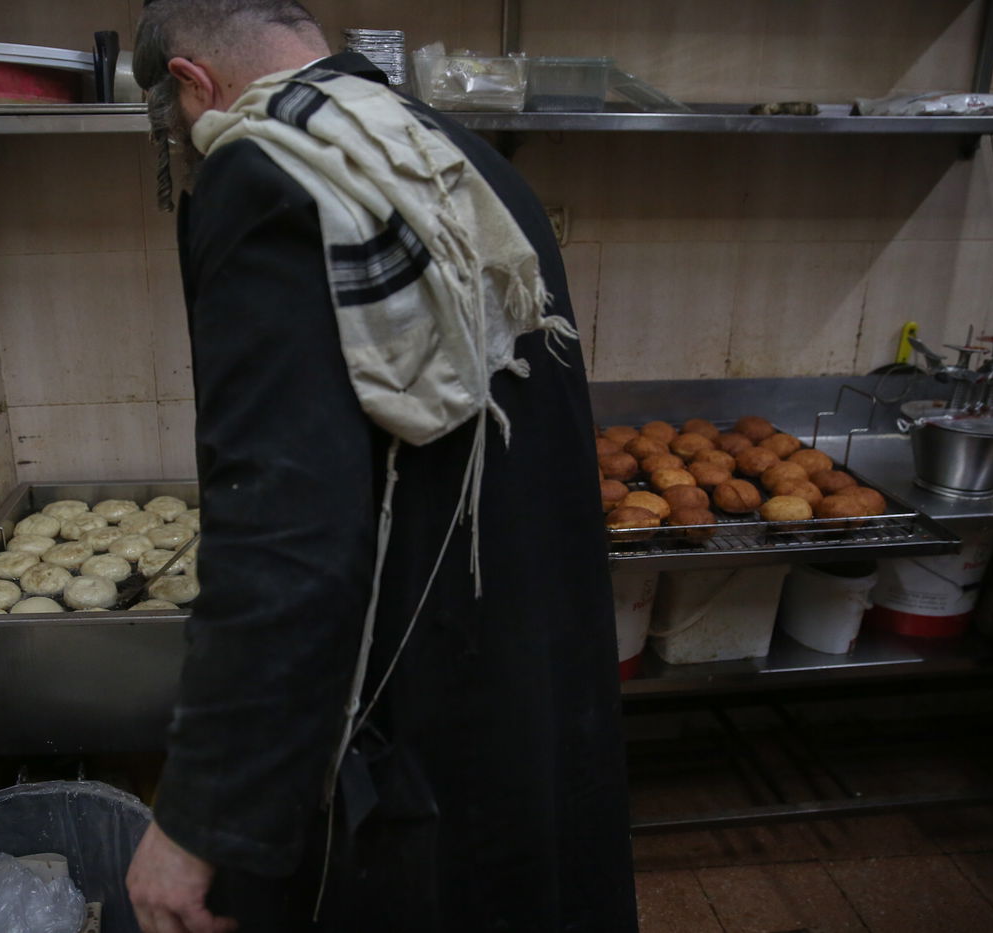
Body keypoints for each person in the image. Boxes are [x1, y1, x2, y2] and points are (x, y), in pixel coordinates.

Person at [125, 3, 638, 931]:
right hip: (523, 688)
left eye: (176, 130)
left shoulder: (270, 172)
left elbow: (284, 532)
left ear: (191, 85)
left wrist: (199, 818)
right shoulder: (457, 157)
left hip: (411, 727)